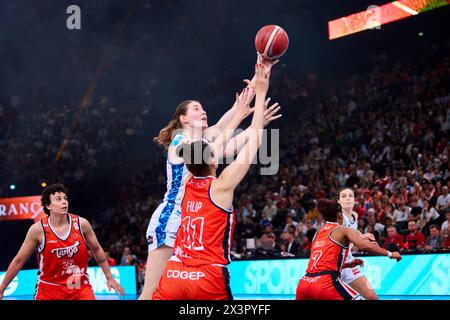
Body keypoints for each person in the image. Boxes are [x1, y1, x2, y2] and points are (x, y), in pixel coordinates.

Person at [139, 55, 280, 300]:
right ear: (182, 118)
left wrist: (259, 74)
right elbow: (218, 142)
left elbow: (232, 127)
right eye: (196, 108)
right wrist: (249, 122)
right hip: (171, 217)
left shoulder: (204, 139)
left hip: (189, 219)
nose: (203, 111)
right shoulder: (180, 141)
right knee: (149, 294)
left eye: (204, 108)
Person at [0, 184, 124, 300]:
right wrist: (2, 287)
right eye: (58, 199)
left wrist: (109, 277)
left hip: (79, 288)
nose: (64, 201)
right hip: (48, 290)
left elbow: (96, 249)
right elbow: (19, 261)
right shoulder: (38, 230)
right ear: (48, 206)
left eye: (65, 198)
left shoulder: (81, 224)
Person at [296, 199, 401, 300]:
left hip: (304, 284)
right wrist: (390, 254)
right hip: (325, 283)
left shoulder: (317, 233)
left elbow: (321, 263)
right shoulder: (343, 230)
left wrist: (346, 265)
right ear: (339, 215)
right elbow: (365, 246)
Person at [337, 187, 379, 300]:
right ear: (339, 201)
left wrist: (364, 237)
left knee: (372, 297)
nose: (348, 198)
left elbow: (354, 231)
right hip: (334, 265)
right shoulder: (338, 218)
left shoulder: (354, 216)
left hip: (349, 263)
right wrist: (362, 240)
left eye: (350, 196)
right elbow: (341, 238)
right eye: (344, 196)